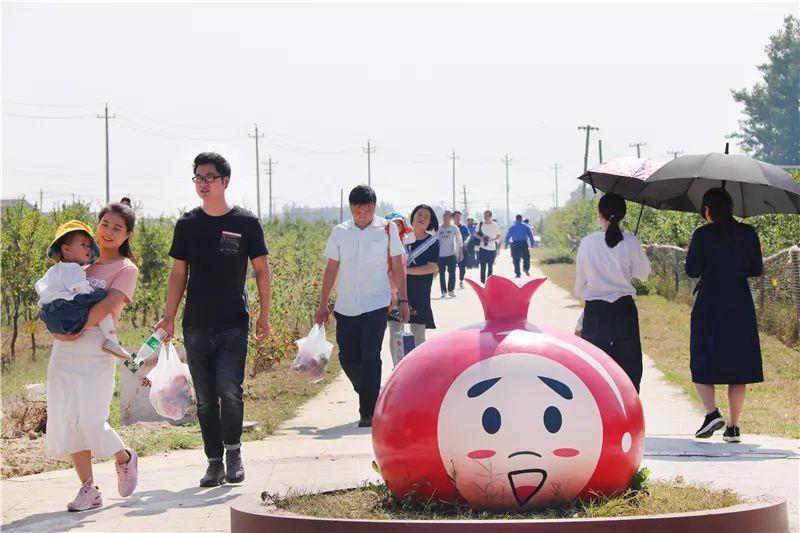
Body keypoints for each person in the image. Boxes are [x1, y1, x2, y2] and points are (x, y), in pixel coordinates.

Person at [155, 152, 272, 487]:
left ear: (225, 181)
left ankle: (234, 453)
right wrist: (169, 316)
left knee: (229, 389)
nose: (203, 183)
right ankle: (213, 462)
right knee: (205, 397)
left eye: (209, 177)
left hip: (234, 320)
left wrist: (264, 316)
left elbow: (262, 270)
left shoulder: (246, 223)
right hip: (196, 323)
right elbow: (178, 273)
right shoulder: (188, 224)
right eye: (198, 178)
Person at [45, 203, 140, 512]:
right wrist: (60, 331)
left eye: (117, 228)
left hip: (95, 348)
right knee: (67, 419)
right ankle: (89, 489)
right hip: (65, 349)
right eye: (104, 224)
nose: (108, 232)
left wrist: (75, 326)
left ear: (126, 235)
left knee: (90, 419)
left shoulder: (126, 269)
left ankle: (124, 457)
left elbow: (109, 305)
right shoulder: (79, 263)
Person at [315, 185, 409, 427]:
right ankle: (370, 392)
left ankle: (367, 412)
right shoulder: (340, 231)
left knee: (370, 355)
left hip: (376, 303)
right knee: (347, 357)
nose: (362, 216)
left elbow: (398, 265)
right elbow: (331, 269)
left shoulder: (387, 230)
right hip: (346, 304)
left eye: (367, 211)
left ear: (374, 207)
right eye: (357, 211)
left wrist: (403, 300)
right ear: (350, 208)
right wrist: (322, 304)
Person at [685, 187, 764, 443]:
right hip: (740, 303)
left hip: (710, 303)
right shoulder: (748, 233)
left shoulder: (702, 235)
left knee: (702, 357)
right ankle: (733, 426)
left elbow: (692, 270)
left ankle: (711, 413)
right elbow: (756, 269)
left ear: (708, 209)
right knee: (738, 366)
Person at [575, 193, 651, 392]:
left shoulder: (587, 242)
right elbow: (644, 274)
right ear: (623, 216)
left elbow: (580, 285)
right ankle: (629, 413)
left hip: (595, 311)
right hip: (624, 309)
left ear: (599, 215)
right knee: (629, 366)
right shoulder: (631, 242)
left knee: (595, 366)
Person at [36, 220, 130, 359]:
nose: (88, 249)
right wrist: (93, 294)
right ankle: (112, 341)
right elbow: (81, 289)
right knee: (102, 299)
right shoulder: (73, 268)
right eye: (83, 245)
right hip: (65, 310)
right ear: (66, 249)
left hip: (49, 315)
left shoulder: (53, 270)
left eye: (89, 246)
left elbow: (41, 288)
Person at [388, 204, 439, 366]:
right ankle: (398, 370)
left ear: (430, 222)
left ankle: (418, 371)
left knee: (418, 333)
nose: (421, 218)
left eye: (426, 216)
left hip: (419, 293)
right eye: (419, 214)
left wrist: (405, 271)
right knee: (395, 332)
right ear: (412, 217)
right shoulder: (400, 239)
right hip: (396, 294)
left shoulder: (432, 242)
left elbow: (432, 267)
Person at [436, 210, 463, 298]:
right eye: (444, 215)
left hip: (451, 254)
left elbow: (459, 240)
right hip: (440, 255)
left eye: (447, 215)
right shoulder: (438, 228)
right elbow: (434, 241)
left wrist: (460, 252)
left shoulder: (454, 228)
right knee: (442, 274)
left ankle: (451, 290)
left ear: (450, 218)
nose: (445, 217)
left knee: (452, 273)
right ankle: (443, 291)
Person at [504, 214, 536, 278]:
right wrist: (532, 243)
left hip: (515, 244)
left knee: (516, 259)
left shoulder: (512, 227)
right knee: (526, 257)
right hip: (523, 244)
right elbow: (530, 235)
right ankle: (525, 268)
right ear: (521, 219)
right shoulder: (526, 226)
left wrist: (506, 244)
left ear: (516, 219)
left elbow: (508, 236)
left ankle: (518, 274)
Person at [475, 210, 501, 283]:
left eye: (487, 216)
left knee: (490, 267)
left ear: (490, 216)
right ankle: (482, 282)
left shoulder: (495, 225)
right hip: (483, 248)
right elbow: (475, 234)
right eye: (484, 216)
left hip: (492, 249)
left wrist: (491, 240)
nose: (485, 217)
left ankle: (489, 282)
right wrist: (481, 238)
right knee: (483, 266)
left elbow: (498, 236)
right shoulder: (480, 224)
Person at [452, 211, 470, 288]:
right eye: (456, 216)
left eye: (459, 216)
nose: (458, 218)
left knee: (462, 266)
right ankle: (451, 283)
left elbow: (469, 235)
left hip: (462, 248)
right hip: (452, 250)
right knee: (452, 266)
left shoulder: (463, 227)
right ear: (453, 218)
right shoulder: (450, 227)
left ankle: (461, 281)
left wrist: (466, 241)